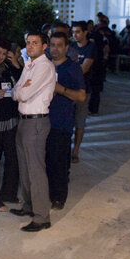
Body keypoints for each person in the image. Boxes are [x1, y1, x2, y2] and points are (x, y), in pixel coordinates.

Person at [9, 31, 56, 232]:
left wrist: (20, 91)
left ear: (45, 46)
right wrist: (20, 91)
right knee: (25, 168)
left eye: (35, 43)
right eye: (28, 43)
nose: (30, 46)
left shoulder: (44, 66)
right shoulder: (30, 65)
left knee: (35, 170)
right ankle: (29, 206)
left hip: (36, 122)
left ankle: (41, 217)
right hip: (24, 121)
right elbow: (16, 92)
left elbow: (23, 92)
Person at [46, 32, 86, 209]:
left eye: (59, 45)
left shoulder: (72, 68)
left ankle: (58, 197)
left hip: (61, 123)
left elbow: (81, 96)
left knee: (60, 163)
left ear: (66, 48)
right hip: (41, 122)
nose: (55, 48)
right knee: (44, 162)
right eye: (52, 44)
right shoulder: (43, 65)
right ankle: (44, 194)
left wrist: (61, 89)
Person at [0, 38, 22, 212]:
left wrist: (15, 64)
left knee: (12, 159)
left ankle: (9, 193)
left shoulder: (8, 67)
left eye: (4, 53)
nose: (0, 56)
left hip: (11, 120)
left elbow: (22, 82)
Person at [71, 21, 95, 163]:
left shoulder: (90, 48)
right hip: (69, 89)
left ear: (85, 32)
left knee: (80, 121)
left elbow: (84, 68)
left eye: (78, 32)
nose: (75, 35)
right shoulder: (71, 46)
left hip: (83, 89)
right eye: (73, 32)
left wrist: (69, 70)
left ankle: (76, 151)